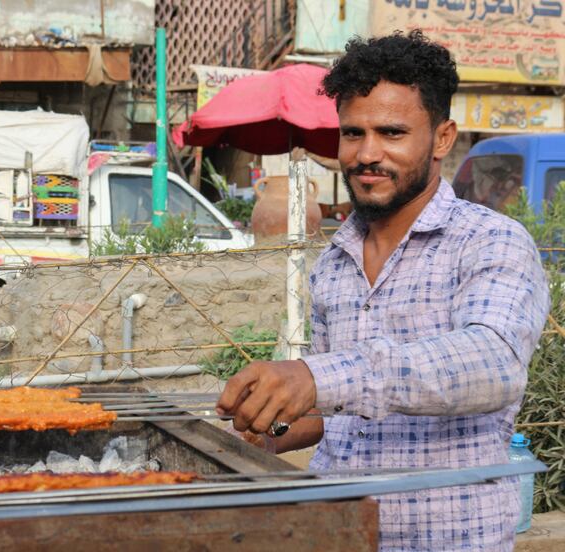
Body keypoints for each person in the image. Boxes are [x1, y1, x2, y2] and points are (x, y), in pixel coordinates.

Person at [216, 30, 550, 551]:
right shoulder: (333, 261)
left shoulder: (491, 241)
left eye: (392, 133)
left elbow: (493, 364)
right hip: (338, 533)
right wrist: (270, 425)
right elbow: (333, 414)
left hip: (447, 540)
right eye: (353, 134)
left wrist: (316, 377)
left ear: (442, 138)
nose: (367, 154)